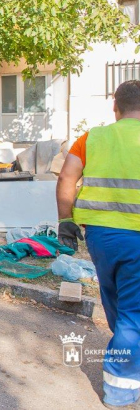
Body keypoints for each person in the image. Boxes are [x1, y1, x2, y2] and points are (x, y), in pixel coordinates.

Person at [57, 80, 140, 408]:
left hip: (102, 238)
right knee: (133, 314)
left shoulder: (92, 138)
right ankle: (120, 389)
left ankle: (127, 353)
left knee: (117, 302)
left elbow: (66, 178)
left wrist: (65, 219)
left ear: (115, 108)